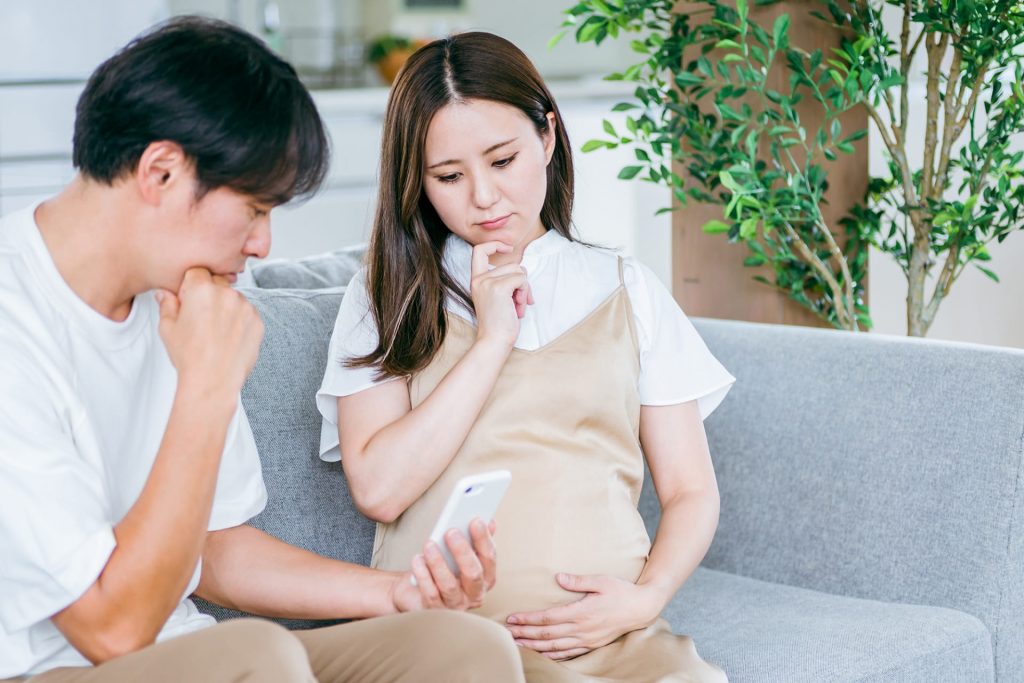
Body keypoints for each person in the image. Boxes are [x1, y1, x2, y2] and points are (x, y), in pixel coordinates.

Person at [0, 18, 525, 683]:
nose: (263, 245)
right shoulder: (15, 325)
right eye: (253, 208)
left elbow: (216, 550)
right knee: (259, 656)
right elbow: (111, 629)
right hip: (60, 668)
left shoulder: (181, 299)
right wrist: (207, 387)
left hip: (193, 657)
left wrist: (396, 594)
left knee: (460, 647)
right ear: (161, 172)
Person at [316, 31, 735, 682]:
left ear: (547, 136)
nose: (483, 196)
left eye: (503, 160)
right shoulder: (385, 296)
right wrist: (491, 341)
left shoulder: (627, 290)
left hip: (617, 641)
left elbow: (690, 490)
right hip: (450, 646)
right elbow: (378, 488)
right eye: (449, 176)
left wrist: (644, 599)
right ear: (417, 182)